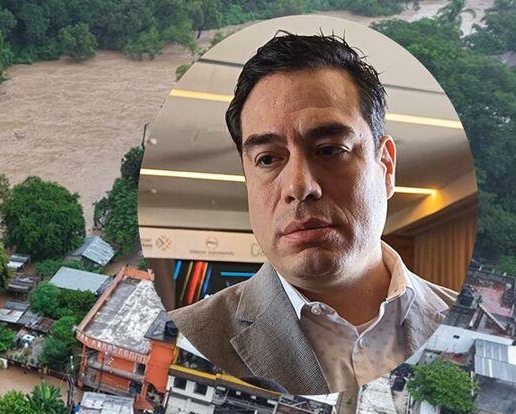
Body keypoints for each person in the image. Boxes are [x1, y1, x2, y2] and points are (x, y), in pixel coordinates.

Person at [169, 32, 455, 395]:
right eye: (268, 159)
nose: (300, 186)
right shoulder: (193, 335)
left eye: (330, 150)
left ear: (385, 167)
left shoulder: (448, 319)